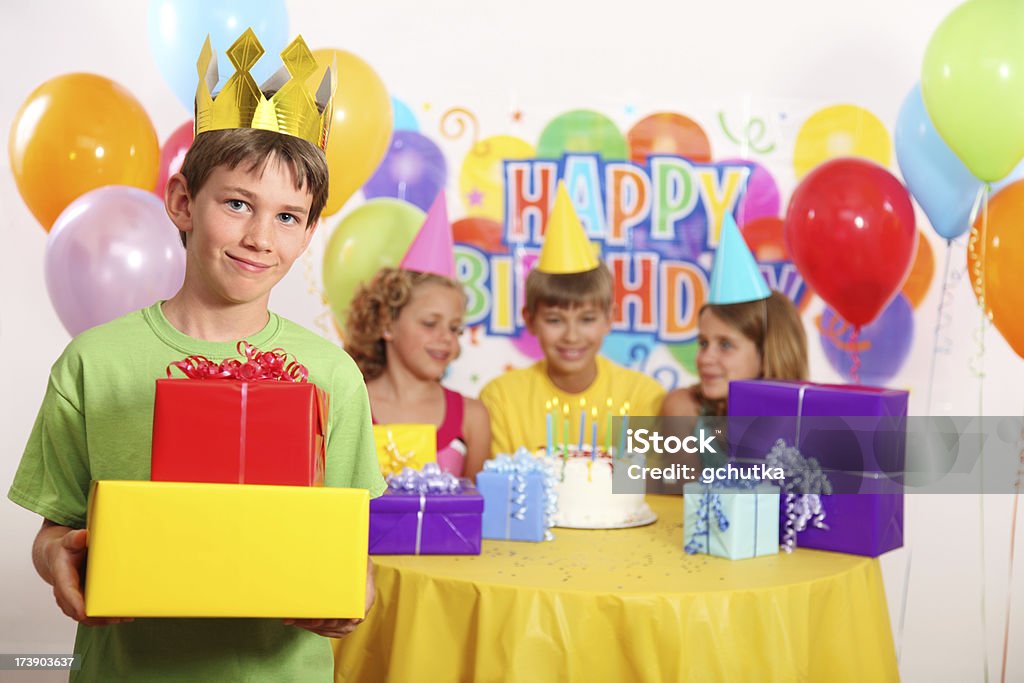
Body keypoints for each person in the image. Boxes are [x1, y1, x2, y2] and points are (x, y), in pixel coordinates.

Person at [7, 30, 385, 682]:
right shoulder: (94, 363)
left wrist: (355, 594)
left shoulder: (332, 375)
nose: (260, 237)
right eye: (238, 204)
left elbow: (352, 548)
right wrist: (57, 562)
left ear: (309, 233)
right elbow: (54, 532)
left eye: (288, 216)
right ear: (183, 202)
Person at [481, 182, 665, 456]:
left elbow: (645, 493)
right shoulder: (502, 399)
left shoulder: (642, 396)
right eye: (554, 320)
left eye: (587, 319)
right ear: (530, 321)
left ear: (609, 318)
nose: (571, 335)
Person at [345, 193, 490, 478]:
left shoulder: (473, 418)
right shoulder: (350, 408)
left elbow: (474, 516)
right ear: (387, 324)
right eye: (429, 323)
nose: (446, 338)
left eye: (454, 328)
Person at [661, 213, 808, 474]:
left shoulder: (803, 422)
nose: (705, 358)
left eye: (725, 345)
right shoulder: (684, 410)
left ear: (768, 351)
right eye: (703, 343)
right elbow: (684, 502)